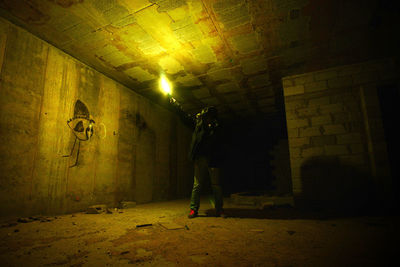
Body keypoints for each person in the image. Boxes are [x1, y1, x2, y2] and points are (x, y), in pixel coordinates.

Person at [187, 106, 226, 219]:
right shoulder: (199, 126)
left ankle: (219, 209)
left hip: (213, 158)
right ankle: (193, 210)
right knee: (197, 185)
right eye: (205, 117)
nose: (207, 119)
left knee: (216, 185)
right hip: (200, 159)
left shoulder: (217, 127)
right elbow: (185, 117)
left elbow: (220, 141)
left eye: (209, 117)